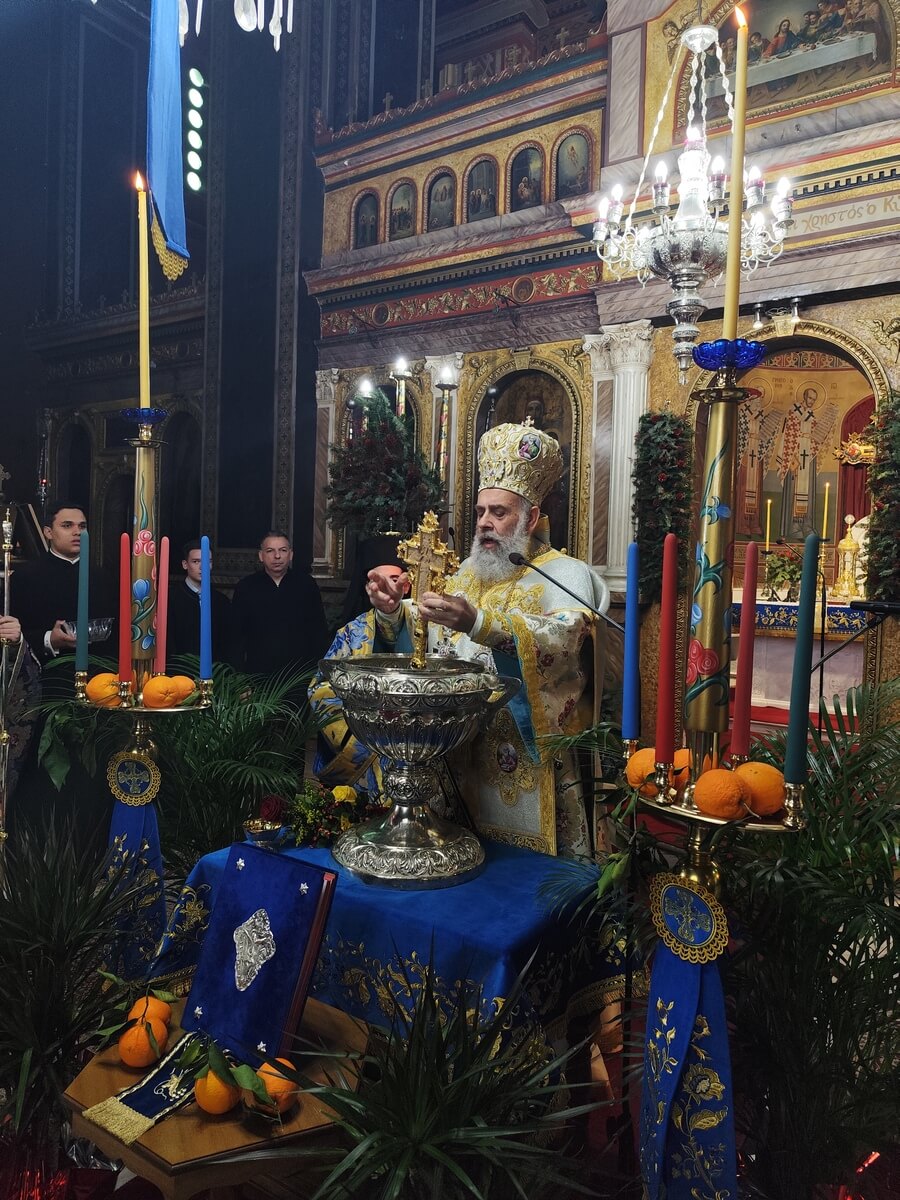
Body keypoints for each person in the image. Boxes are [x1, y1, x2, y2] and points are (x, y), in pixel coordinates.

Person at [311, 422, 605, 857]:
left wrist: (480, 623)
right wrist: (393, 610)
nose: (484, 522)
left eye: (499, 512)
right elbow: (431, 629)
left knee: (522, 879)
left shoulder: (566, 574)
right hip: (456, 759)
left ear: (531, 518)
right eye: (481, 510)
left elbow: (565, 640)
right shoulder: (469, 573)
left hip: (525, 762)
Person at [11, 502, 115, 679]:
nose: (77, 532)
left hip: (99, 677)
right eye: (67, 526)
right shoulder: (24, 577)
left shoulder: (103, 577)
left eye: (82, 526)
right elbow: (12, 634)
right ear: (48, 532)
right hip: (46, 679)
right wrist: (49, 639)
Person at [231, 530, 329, 678]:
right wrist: (239, 677)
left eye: (283, 550)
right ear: (261, 555)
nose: (277, 556)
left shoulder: (306, 584)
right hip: (258, 673)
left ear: (291, 554)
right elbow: (236, 636)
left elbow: (319, 631)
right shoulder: (246, 587)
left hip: (299, 674)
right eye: (270, 551)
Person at [167, 539, 232, 665]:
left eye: (208, 561)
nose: (203, 567)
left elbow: (227, 643)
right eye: (196, 561)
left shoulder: (221, 601)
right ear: (185, 564)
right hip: (178, 671)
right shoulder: (170, 598)